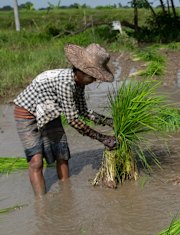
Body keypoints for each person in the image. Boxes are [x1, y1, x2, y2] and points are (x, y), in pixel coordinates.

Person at [13, 43, 117, 196]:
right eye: (92, 77)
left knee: (62, 154)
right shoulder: (66, 82)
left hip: (49, 111)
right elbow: (73, 120)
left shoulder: (79, 83)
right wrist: (102, 138)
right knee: (36, 161)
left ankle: (67, 194)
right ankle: (41, 203)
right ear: (80, 71)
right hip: (27, 113)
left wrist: (108, 122)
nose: (94, 81)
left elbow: (83, 111)